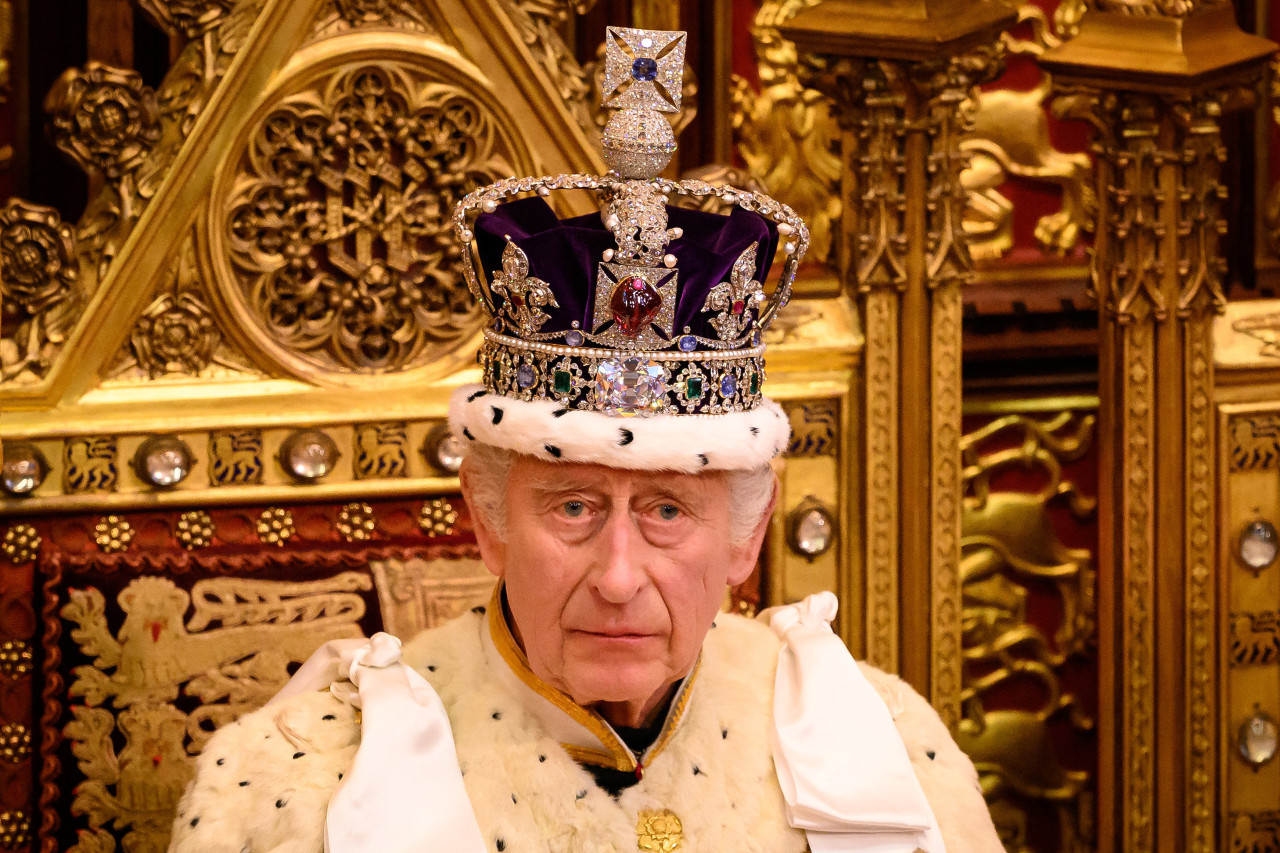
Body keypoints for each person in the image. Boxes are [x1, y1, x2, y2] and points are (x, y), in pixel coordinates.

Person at [168, 27, 1001, 853]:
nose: (617, 576)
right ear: (488, 520)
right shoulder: (301, 786)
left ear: (749, 533)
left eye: (669, 510)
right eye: (573, 505)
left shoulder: (884, 749)